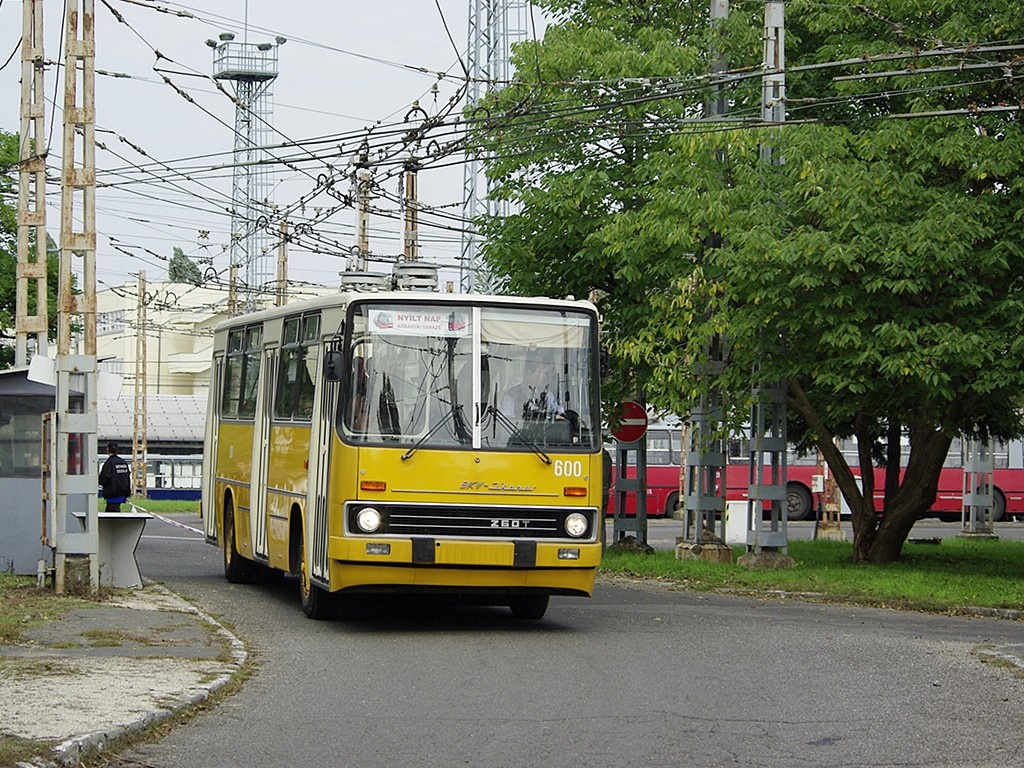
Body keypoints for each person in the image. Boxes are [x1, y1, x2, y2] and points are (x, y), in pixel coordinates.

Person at [99, 442, 132, 512]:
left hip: (112, 495)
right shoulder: (123, 462)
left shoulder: (109, 463)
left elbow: (104, 479)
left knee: (111, 517)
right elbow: (127, 477)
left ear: (107, 450)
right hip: (122, 494)